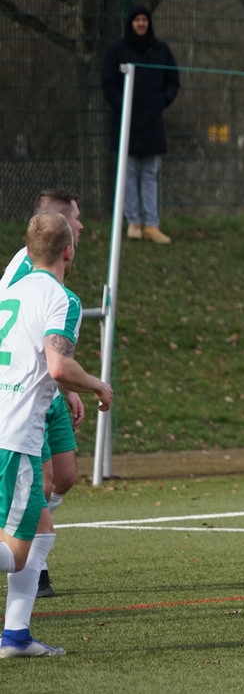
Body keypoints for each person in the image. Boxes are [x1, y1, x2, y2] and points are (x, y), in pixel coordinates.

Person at [0, 212, 113, 658]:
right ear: (69, 251)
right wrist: (97, 385)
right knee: (17, 553)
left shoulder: (11, 290)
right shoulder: (62, 299)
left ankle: (15, 636)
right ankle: (15, 636)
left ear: (29, 251)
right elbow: (59, 365)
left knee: (41, 533)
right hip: (15, 435)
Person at [0, 189, 88, 597]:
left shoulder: (42, 273)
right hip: (22, 400)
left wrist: (66, 386)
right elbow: (35, 346)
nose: (82, 225)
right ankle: (32, 563)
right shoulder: (32, 274)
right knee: (39, 497)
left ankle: (17, 628)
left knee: (62, 479)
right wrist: (84, 382)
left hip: (37, 391)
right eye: (76, 218)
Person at [101, 4, 179, 245]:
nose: (141, 23)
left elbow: (173, 81)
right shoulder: (117, 50)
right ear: (131, 23)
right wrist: (122, 104)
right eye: (137, 20)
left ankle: (152, 225)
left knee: (150, 174)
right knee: (127, 173)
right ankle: (133, 223)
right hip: (125, 123)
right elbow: (108, 82)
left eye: (145, 19)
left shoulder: (161, 50)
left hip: (152, 124)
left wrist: (160, 102)